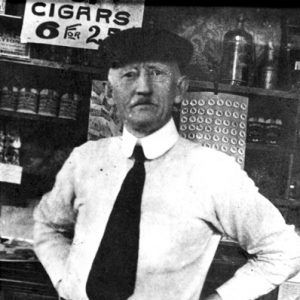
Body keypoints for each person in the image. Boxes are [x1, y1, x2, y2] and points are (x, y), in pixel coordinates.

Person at [33, 27, 300, 300]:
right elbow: (46, 225)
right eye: (129, 75)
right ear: (112, 92)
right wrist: (66, 281)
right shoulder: (85, 159)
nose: (143, 88)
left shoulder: (213, 171)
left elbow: (285, 251)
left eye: (157, 73)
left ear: (180, 90)